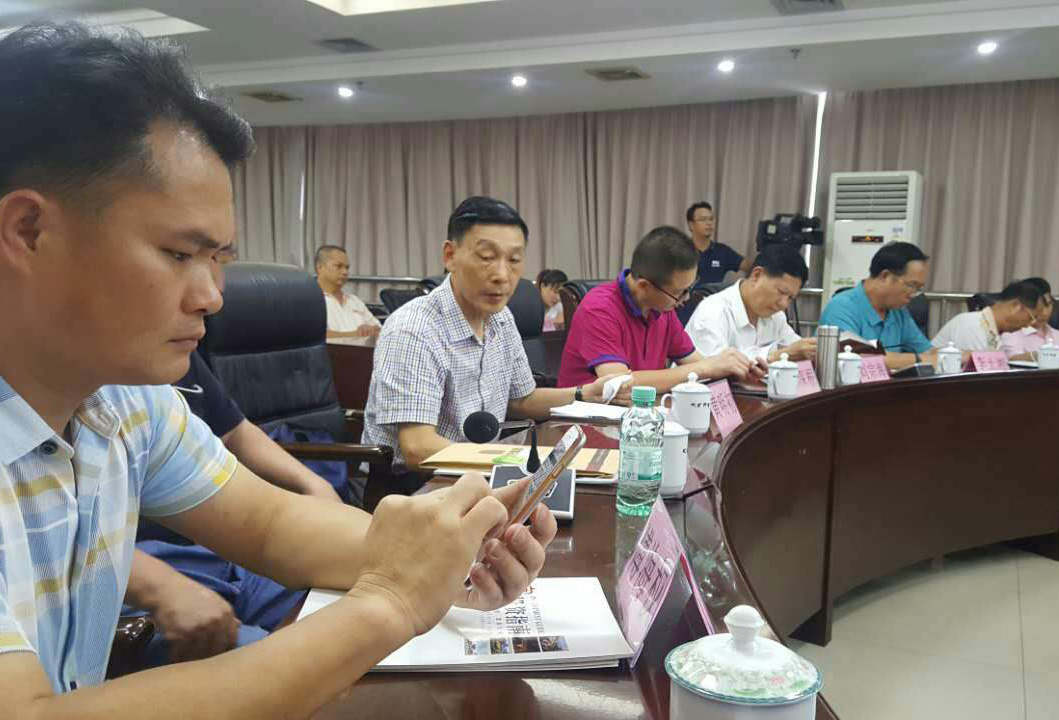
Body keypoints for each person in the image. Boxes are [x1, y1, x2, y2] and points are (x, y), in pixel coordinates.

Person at [0, 23, 554, 719]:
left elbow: (268, 524)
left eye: (219, 259)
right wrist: (389, 602)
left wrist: (449, 552)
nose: (212, 296)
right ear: (29, 232)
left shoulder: (126, 403)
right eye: (179, 254)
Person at [362, 196, 623, 480]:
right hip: (417, 485)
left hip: (481, 472)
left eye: (514, 260)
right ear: (450, 256)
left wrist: (585, 393)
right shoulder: (414, 329)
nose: (502, 275)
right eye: (487, 258)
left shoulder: (501, 318)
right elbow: (417, 447)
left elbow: (522, 400)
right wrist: (512, 460)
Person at [127, 350, 343, 667]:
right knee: (291, 664)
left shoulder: (155, 396)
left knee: (356, 615)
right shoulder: (107, 396)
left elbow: (235, 435)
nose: (205, 324)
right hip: (143, 568)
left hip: (224, 548)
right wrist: (159, 585)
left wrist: (314, 485)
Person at [557, 226, 763, 395]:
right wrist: (705, 368)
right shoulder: (599, 309)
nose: (686, 299)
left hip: (642, 415)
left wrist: (733, 368)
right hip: (587, 420)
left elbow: (697, 362)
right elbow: (619, 384)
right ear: (644, 286)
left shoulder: (663, 308)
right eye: (680, 292)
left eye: (689, 289)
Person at [686, 244, 817, 363]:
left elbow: (796, 347)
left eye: (790, 298)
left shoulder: (776, 316)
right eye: (781, 292)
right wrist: (778, 356)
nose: (784, 304)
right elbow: (714, 369)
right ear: (757, 275)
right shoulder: (713, 311)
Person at [817, 241, 936, 371]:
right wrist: (919, 359)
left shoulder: (899, 312)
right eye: (911, 285)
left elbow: (929, 352)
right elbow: (857, 358)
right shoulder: (842, 307)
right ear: (885, 276)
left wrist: (945, 356)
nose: (913, 294)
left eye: (919, 288)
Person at [932, 279, 1046, 356]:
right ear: (1015, 306)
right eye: (1031, 317)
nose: (1028, 325)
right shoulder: (972, 326)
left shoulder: (993, 330)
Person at [315, 244, 381, 339]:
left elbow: (378, 329)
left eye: (347, 267)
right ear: (320, 267)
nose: (345, 272)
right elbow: (314, 335)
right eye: (338, 266)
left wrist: (371, 329)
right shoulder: (309, 300)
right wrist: (357, 334)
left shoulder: (354, 300)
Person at [686, 201, 752, 285]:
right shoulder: (681, 250)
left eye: (711, 219)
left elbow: (750, 266)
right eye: (703, 219)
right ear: (691, 225)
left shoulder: (722, 251)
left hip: (714, 293)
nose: (709, 223)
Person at [1000, 278, 1059, 358]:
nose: (1044, 313)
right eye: (1039, 307)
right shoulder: (1011, 332)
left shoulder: (1056, 334)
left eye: (1048, 305)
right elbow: (1012, 359)